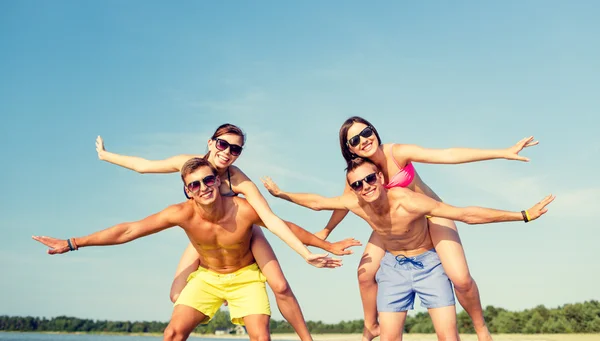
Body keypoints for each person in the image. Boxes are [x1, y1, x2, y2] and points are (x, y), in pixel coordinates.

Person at [265, 116, 539, 341]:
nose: (364, 140)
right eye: (355, 140)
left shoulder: (396, 153)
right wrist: (322, 228)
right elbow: (336, 203)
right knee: (364, 274)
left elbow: (448, 155)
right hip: (392, 223)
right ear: (349, 149)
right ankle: (371, 326)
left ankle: (480, 328)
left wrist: (501, 153)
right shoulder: (358, 175)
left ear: (375, 131)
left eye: (367, 132)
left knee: (461, 279)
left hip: (431, 213)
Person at [95, 124, 361, 341]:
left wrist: (314, 249)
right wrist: (107, 155)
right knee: (176, 296)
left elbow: (272, 220)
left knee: (279, 285)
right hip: (205, 236)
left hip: (243, 234)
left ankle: (306, 338)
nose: (228, 152)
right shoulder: (189, 164)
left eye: (236, 149)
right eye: (223, 144)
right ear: (211, 142)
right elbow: (143, 166)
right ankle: (223, 292)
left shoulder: (239, 180)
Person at [33, 158, 342, 341]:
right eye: (194, 184)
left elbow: (283, 225)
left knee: (261, 336)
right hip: (206, 277)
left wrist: (321, 246)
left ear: (218, 180)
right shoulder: (181, 213)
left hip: (246, 276)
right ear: (187, 190)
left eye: (208, 180)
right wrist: (72, 243)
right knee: (172, 334)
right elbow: (129, 230)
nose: (203, 187)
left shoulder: (243, 208)